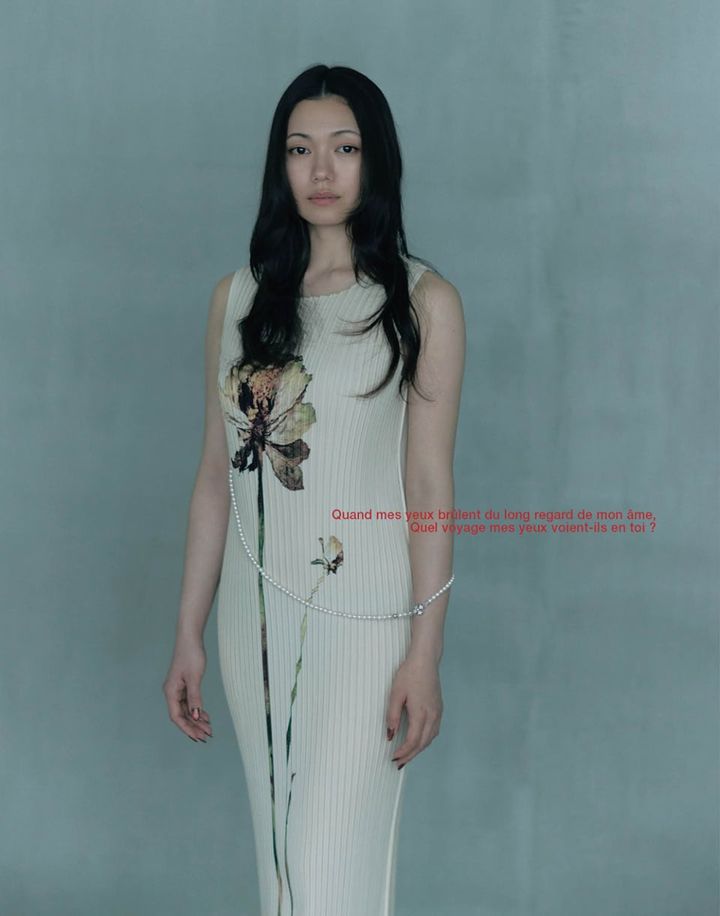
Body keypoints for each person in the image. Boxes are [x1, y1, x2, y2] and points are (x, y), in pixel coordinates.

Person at [162, 63, 465, 916]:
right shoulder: (237, 300)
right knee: (283, 870)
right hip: (252, 625)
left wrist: (425, 653)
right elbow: (215, 479)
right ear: (280, 165)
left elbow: (429, 484)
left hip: (366, 625)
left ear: (377, 162)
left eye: (344, 148)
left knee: (328, 869)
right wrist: (187, 632)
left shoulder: (422, 303)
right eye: (300, 150)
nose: (321, 171)